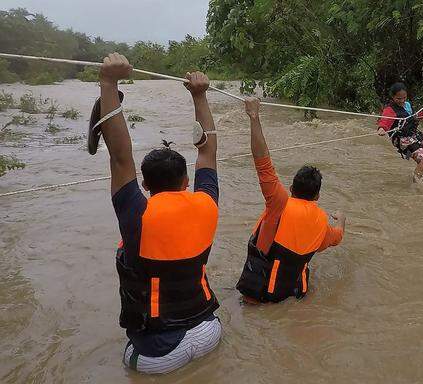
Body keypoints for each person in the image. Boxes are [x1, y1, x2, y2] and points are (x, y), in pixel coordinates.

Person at [95, 53, 222, 374]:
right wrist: (200, 94)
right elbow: (208, 148)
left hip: (159, 351)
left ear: (145, 184)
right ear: (186, 181)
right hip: (209, 331)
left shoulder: (137, 214)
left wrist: (108, 82)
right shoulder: (207, 203)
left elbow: (120, 158)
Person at [236, 97, 346, 304]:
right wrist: (341, 219)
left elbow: (262, 163)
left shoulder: (279, 203)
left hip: (254, 299)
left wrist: (254, 117)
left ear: (291, 189)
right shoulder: (322, 222)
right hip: (292, 298)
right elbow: (337, 237)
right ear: (317, 197)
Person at [376, 82, 423, 180]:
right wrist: (381, 129)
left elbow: (414, 117)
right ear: (393, 97)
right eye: (398, 98)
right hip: (403, 141)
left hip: (414, 135)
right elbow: (384, 121)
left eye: (404, 98)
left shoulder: (407, 105)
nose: (402, 101)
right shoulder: (389, 110)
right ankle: (417, 182)